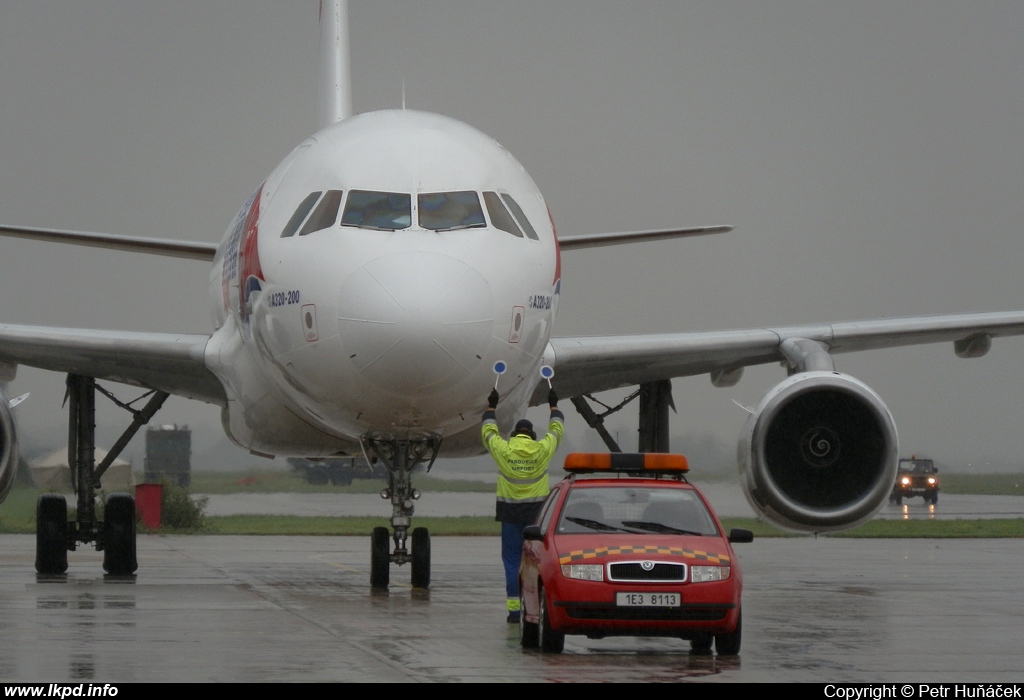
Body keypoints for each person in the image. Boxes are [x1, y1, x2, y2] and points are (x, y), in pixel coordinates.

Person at [481, 386, 563, 623]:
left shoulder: (504, 451)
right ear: (532, 436)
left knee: (511, 562)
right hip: (536, 518)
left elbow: (488, 431)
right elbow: (557, 430)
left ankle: (514, 611)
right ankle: (533, 609)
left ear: (515, 436)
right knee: (536, 564)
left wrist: (491, 407)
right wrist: (554, 405)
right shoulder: (541, 451)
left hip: (510, 516)